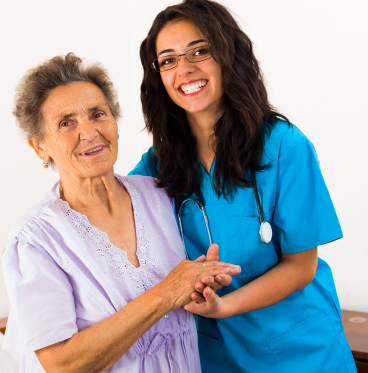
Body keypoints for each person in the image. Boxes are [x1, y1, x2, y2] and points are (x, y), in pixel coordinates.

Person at [130, 0, 357, 372]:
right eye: (168, 60)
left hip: (301, 351)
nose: (184, 69)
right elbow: (108, 211)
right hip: (216, 354)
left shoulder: (284, 146)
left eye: (199, 51)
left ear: (227, 55)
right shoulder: (158, 163)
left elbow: (301, 266)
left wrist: (225, 306)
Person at [2, 53, 241, 373]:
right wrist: (167, 293)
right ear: (40, 147)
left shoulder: (159, 194)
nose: (89, 133)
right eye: (66, 122)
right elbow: (62, 364)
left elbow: (182, 291)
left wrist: (199, 281)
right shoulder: (35, 239)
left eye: (98, 114)